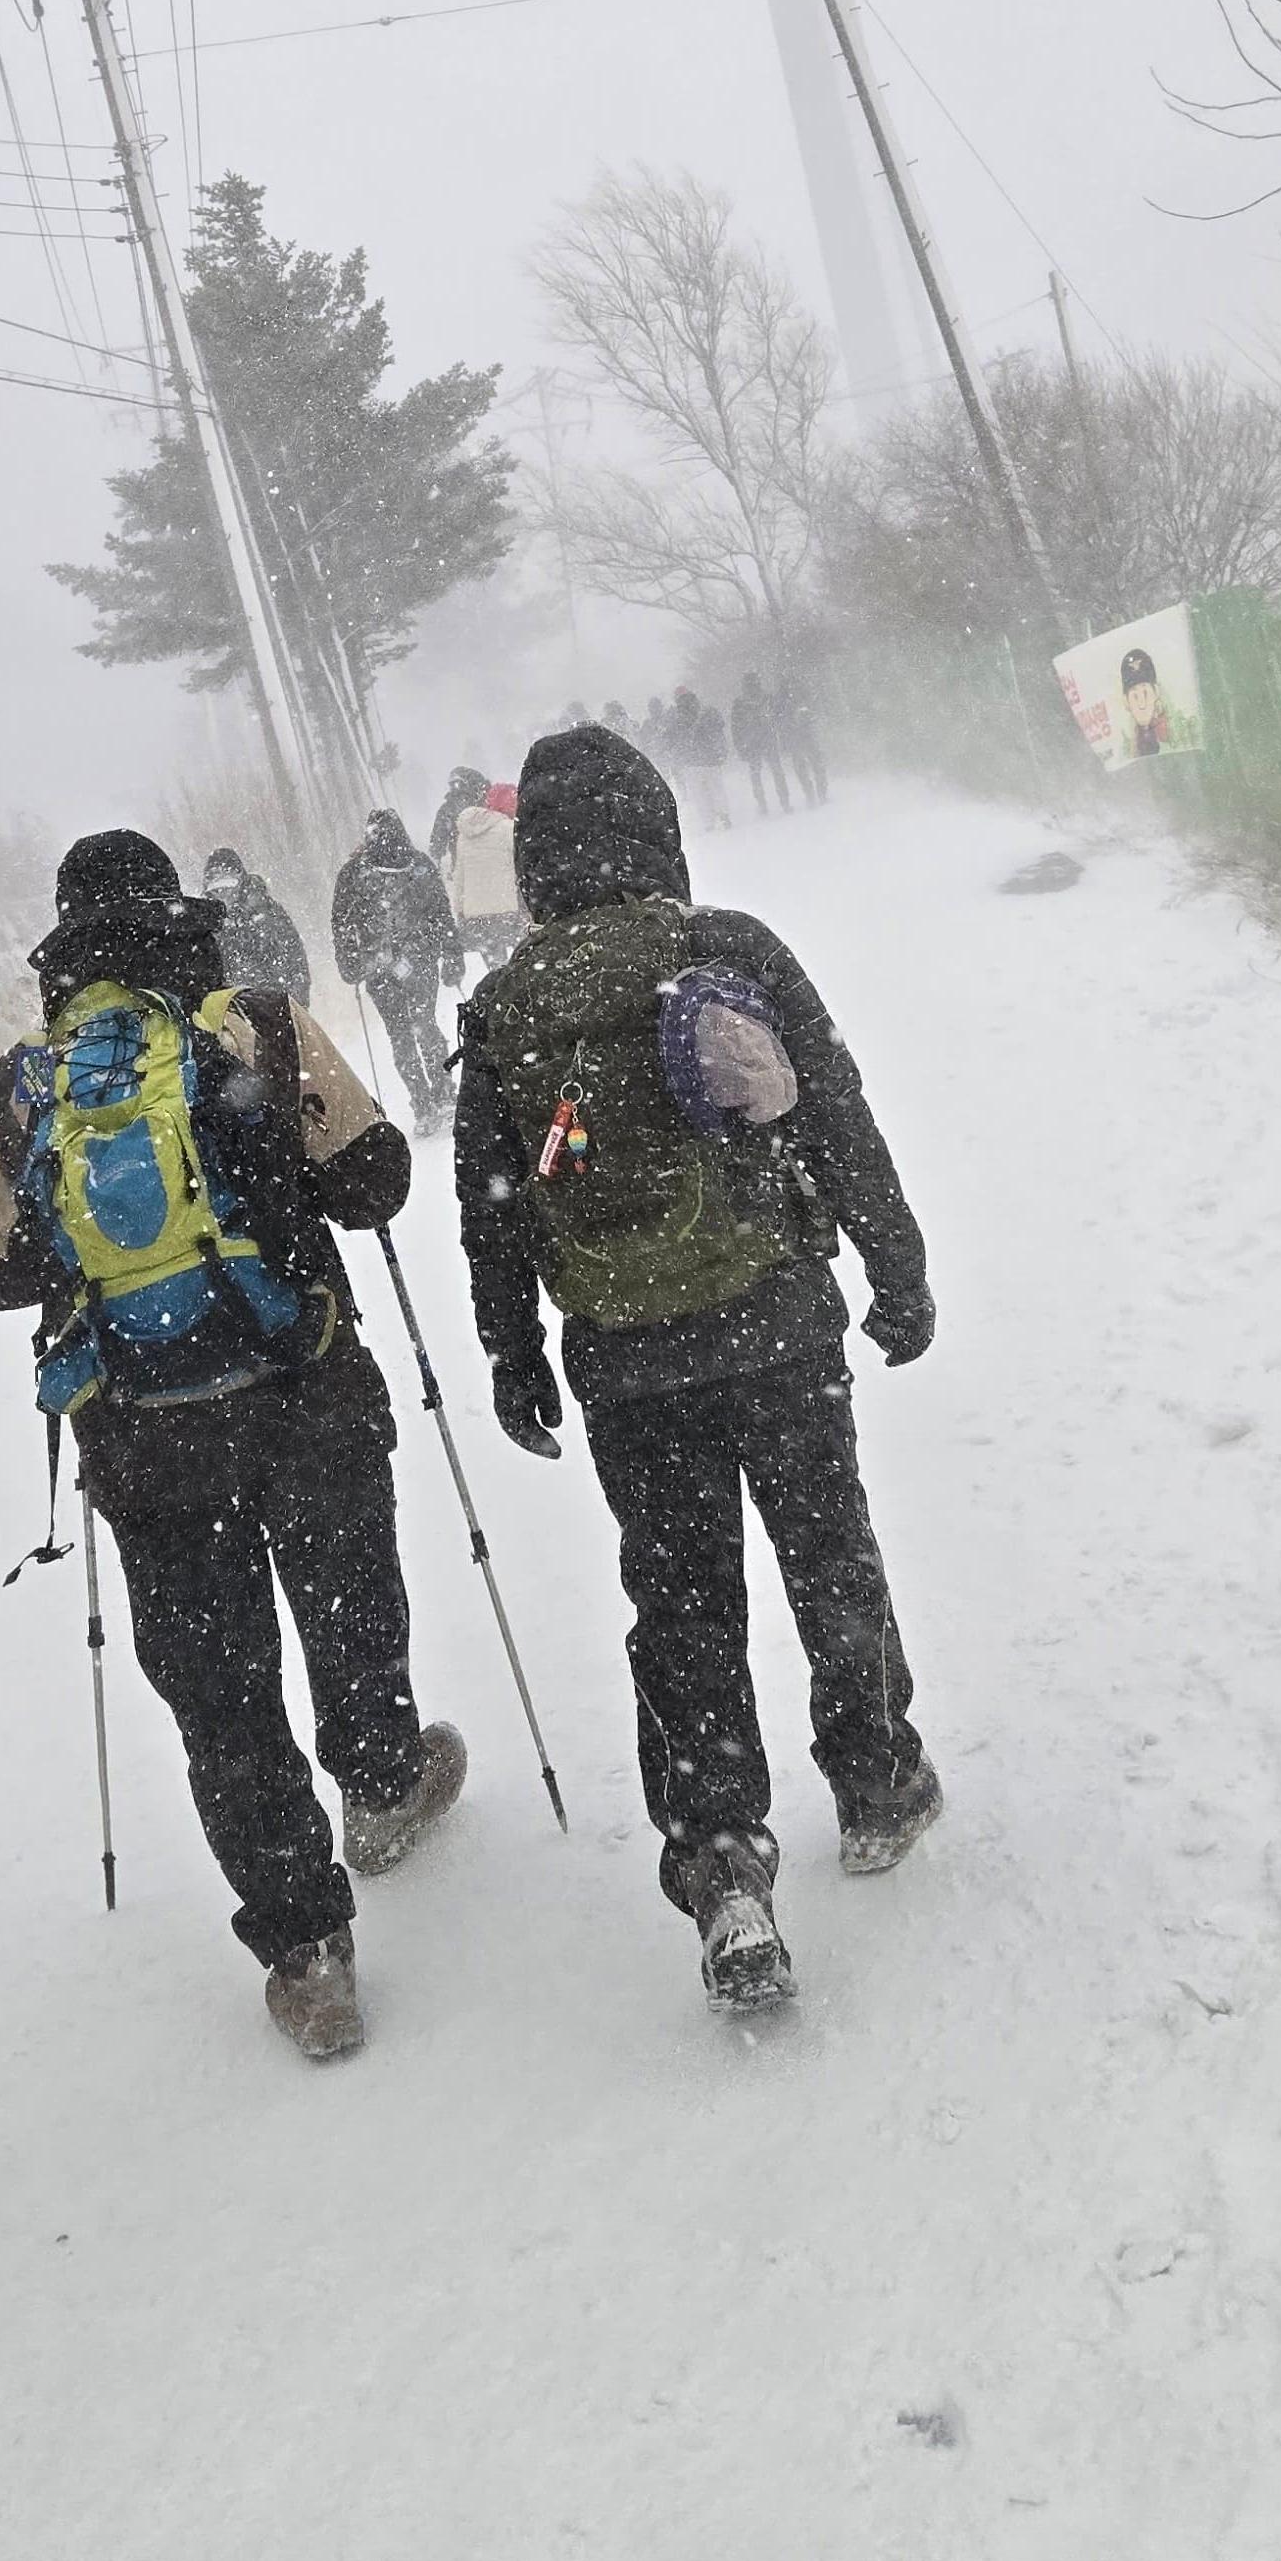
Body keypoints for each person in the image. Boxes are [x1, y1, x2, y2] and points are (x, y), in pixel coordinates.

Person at [0, 828, 465, 2064]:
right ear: (176, 917)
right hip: (302, 1390)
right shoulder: (258, 1024)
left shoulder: (24, 1083)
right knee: (346, 1603)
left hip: (145, 1439)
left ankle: (303, 1949)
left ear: (62, 944)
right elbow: (379, 1180)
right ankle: (383, 1781)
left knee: (217, 1685)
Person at [453, 726, 940, 2014]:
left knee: (680, 1606)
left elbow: (490, 1207)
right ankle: (875, 1775)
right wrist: (897, 1267)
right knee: (825, 1548)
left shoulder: (504, 1011)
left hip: (625, 1365)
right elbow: (833, 1109)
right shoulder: (725, 948)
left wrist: (511, 1352)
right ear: (654, 829)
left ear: (536, 863)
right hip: (776, 1322)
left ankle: (721, 1863)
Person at [332, 808, 462, 1132]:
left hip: (380, 966)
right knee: (423, 1026)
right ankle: (441, 1095)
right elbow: (441, 912)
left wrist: (351, 961)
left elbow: (342, 924)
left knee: (402, 1034)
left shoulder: (352, 874)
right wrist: (450, 954)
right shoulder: (418, 865)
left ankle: (424, 1104)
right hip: (417, 960)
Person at [202, 844, 311, 1005]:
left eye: (228, 882)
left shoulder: (267, 913)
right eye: (216, 885)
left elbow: (295, 961)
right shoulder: (205, 921)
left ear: (240, 881)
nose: (222, 892)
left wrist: (295, 1004)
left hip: (271, 1005)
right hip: (225, 1009)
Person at [443, 778, 525, 973]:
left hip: (477, 918)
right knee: (522, 966)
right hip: (508, 912)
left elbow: (459, 877)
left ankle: (502, 999)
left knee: (497, 971)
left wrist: (460, 912)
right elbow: (521, 869)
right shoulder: (510, 830)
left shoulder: (465, 835)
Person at [671, 683, 731, 836]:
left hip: (691, 762)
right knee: (717, 788)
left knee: (699, 794)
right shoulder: (706, 710)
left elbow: (673, 740)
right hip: (711, 758)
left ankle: (708, 822)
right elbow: (719, 727)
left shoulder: (677, 717)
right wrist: (721, 751)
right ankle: (724, 815)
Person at [731, 671, 790, 817]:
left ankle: (762, 805)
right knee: (777, 771)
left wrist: (740, 746)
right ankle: (785, 802)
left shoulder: (739, 702)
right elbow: (779, 716)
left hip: (750, 743)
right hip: (768, 739)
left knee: (756, 775)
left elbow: (735, 727)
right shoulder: (767, 698)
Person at [774, 675, 829, 810]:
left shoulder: (782, 699)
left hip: (797, 736)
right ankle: (819, 793)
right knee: (815, 764)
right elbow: (812, 711)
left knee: (804, 767)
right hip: (804, 735)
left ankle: (812, 793)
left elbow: (779, 721)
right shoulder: (802, 694)